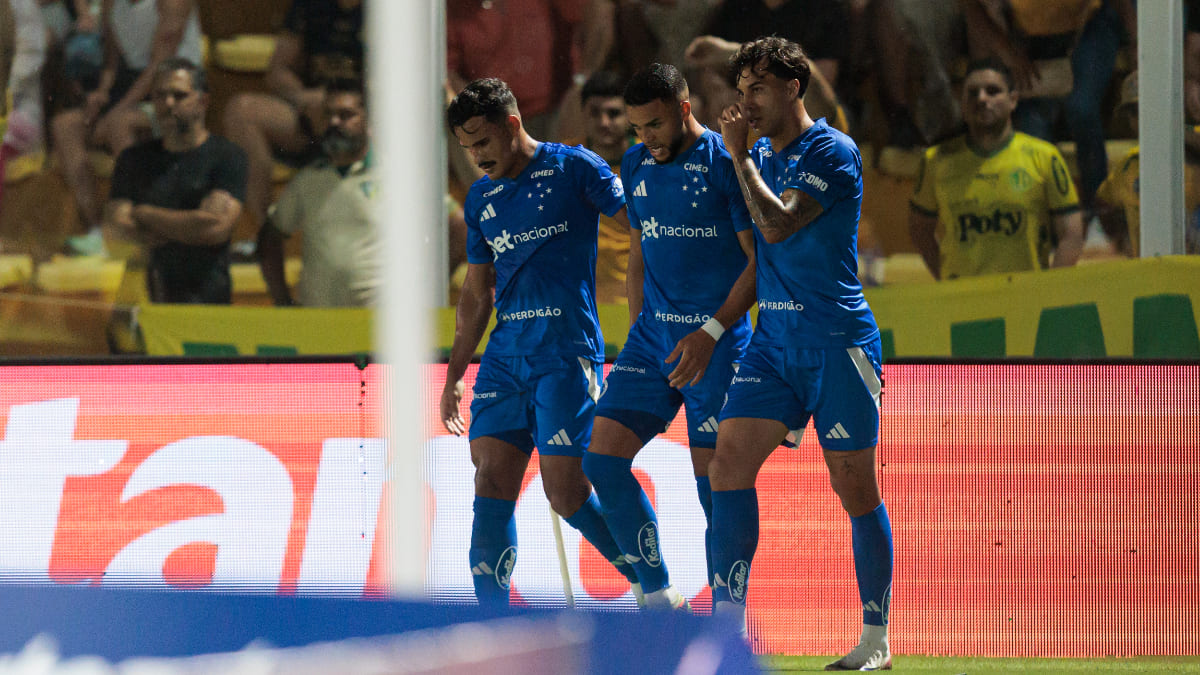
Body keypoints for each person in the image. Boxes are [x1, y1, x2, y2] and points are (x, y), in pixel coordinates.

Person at [710, 37, 892, 670]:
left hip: (838, 344)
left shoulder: (831, 152)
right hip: (773, 345)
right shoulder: (755, 152)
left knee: (854, 486)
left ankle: (875, 637)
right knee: (727, 463)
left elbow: (780, 223)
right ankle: (724, 631)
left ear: (793, 87)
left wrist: (738, 160)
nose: (745, 104)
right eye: (739, 92)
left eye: (757, 89)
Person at [441, 78, 642, 607]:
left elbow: (645, 229)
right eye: (467, 147)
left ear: (512, 125)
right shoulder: (481, 199)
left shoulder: (576, 167)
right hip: (505, 359)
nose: (476, 157)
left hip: (565, 351)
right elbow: (475, 295)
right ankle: (490, 627)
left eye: (482, 142)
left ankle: (652, 585)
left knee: (567, 493)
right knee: (490, 480)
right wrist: (456, 374)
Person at [580, 63, 756, 612]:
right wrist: (639, 326)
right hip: (651, 341)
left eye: (654, 124)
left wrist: (710, 332)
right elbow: (639, 248)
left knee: (716, 488)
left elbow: (758, 264)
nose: (644, 138)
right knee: (602, 461)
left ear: (684, 109)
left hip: (717, 345)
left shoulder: (726, 165)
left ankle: (727, 617)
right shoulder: (635, 162)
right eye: (637, 128)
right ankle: (659, 598)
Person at [50, 0, 205, 256]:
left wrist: (120, 108)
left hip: (179, 95)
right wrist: (102, 93)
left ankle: (146, 229)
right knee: (65, 125)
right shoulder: (111, 3)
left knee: (119, 123)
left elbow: (161, 66)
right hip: (135, 90)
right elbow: (112, 62)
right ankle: (97, 229)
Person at [909, 57, 1085, 280]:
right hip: (965, 302)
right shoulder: (935, 161)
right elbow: (919, 230)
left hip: (1023, 299)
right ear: (961, 103)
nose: (982, 99)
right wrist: (945, 279)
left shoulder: (1044, 157)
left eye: (993, 91)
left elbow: (1072, 234)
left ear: (1013, 100)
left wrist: (1047, 290)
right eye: (973, 93)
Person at [222, 0, 363, 259]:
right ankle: (266, 238)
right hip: (313, 110)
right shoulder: (307, 7)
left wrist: (350, 104)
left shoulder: (389, 11)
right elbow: (278, 70)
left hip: (368, 114)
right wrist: (303, 96)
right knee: (241, 111)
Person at [103, 57, 247, 303]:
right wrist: (190, 224)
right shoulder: (133, 158)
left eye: (179, 96)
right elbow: (116, 226)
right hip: (147, 299)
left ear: (203, 101)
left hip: (207, 302)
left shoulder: (226, 156)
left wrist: (145, 214)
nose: (168, 104)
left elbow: (214, 229)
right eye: (160, 96)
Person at [257, 76, 377, 307]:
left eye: (346, 115)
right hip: (317, 326)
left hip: (379, 325)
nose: (334, 123)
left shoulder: (398, 177)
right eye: (328, 115)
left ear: (369, 121)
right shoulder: (307, 180)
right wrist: (282, 300)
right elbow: (269, 239)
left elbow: (455, 228)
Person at [560, 70, 635, 305]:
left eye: (613, 114)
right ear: (583, 114)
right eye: (595, 113)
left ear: (630, 115)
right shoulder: (563, 161)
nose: (604, 123)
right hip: (577, 298)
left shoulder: (651, 161)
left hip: (633, 297)